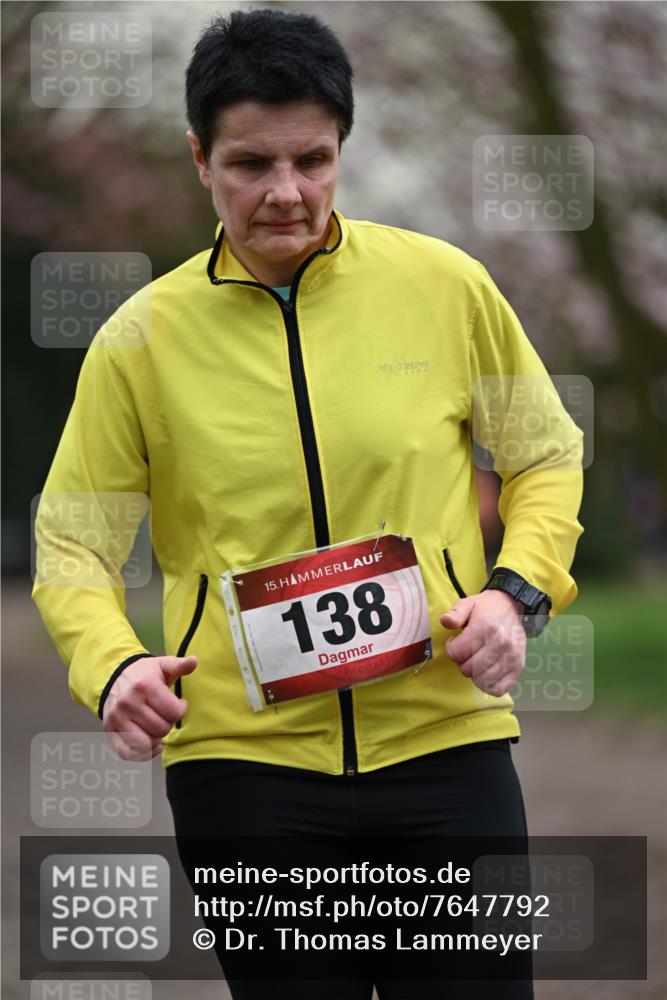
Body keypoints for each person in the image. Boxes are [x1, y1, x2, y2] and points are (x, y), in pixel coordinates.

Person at [33, 8, 583, 999]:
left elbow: (546, 454)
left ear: (341, 150)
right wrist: (109, 665)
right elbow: (75, 539)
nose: (286, 193)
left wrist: (516, 594)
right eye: (250, 164)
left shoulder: (446, 287)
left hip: (443, 744)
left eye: (312, 160)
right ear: (199, 158)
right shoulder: (137, 340)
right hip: (245, 770)